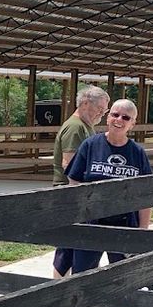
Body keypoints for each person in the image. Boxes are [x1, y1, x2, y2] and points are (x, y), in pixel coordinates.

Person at [57, 99, 152, 307]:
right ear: (108, 116)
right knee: (81, 276)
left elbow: (148, 196)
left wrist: (142, 233)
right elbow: (74, 182)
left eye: (125, 118)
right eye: (115, 115)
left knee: (121, 279)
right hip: (91, 223)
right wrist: (76, 219)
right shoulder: (91, 145)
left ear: (133, 123)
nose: (119, 120)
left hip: (124, 224)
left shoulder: (137, 153)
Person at [51, 86, 110, 280]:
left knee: (78, 245)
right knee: (68, 247)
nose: (101, 114)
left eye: (105, 111)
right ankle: (60, 291)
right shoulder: (75, 127)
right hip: (72, 194)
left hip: (82, 195)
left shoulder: (86, 126)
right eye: (99, 109)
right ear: (85, 103)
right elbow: (69, 164)